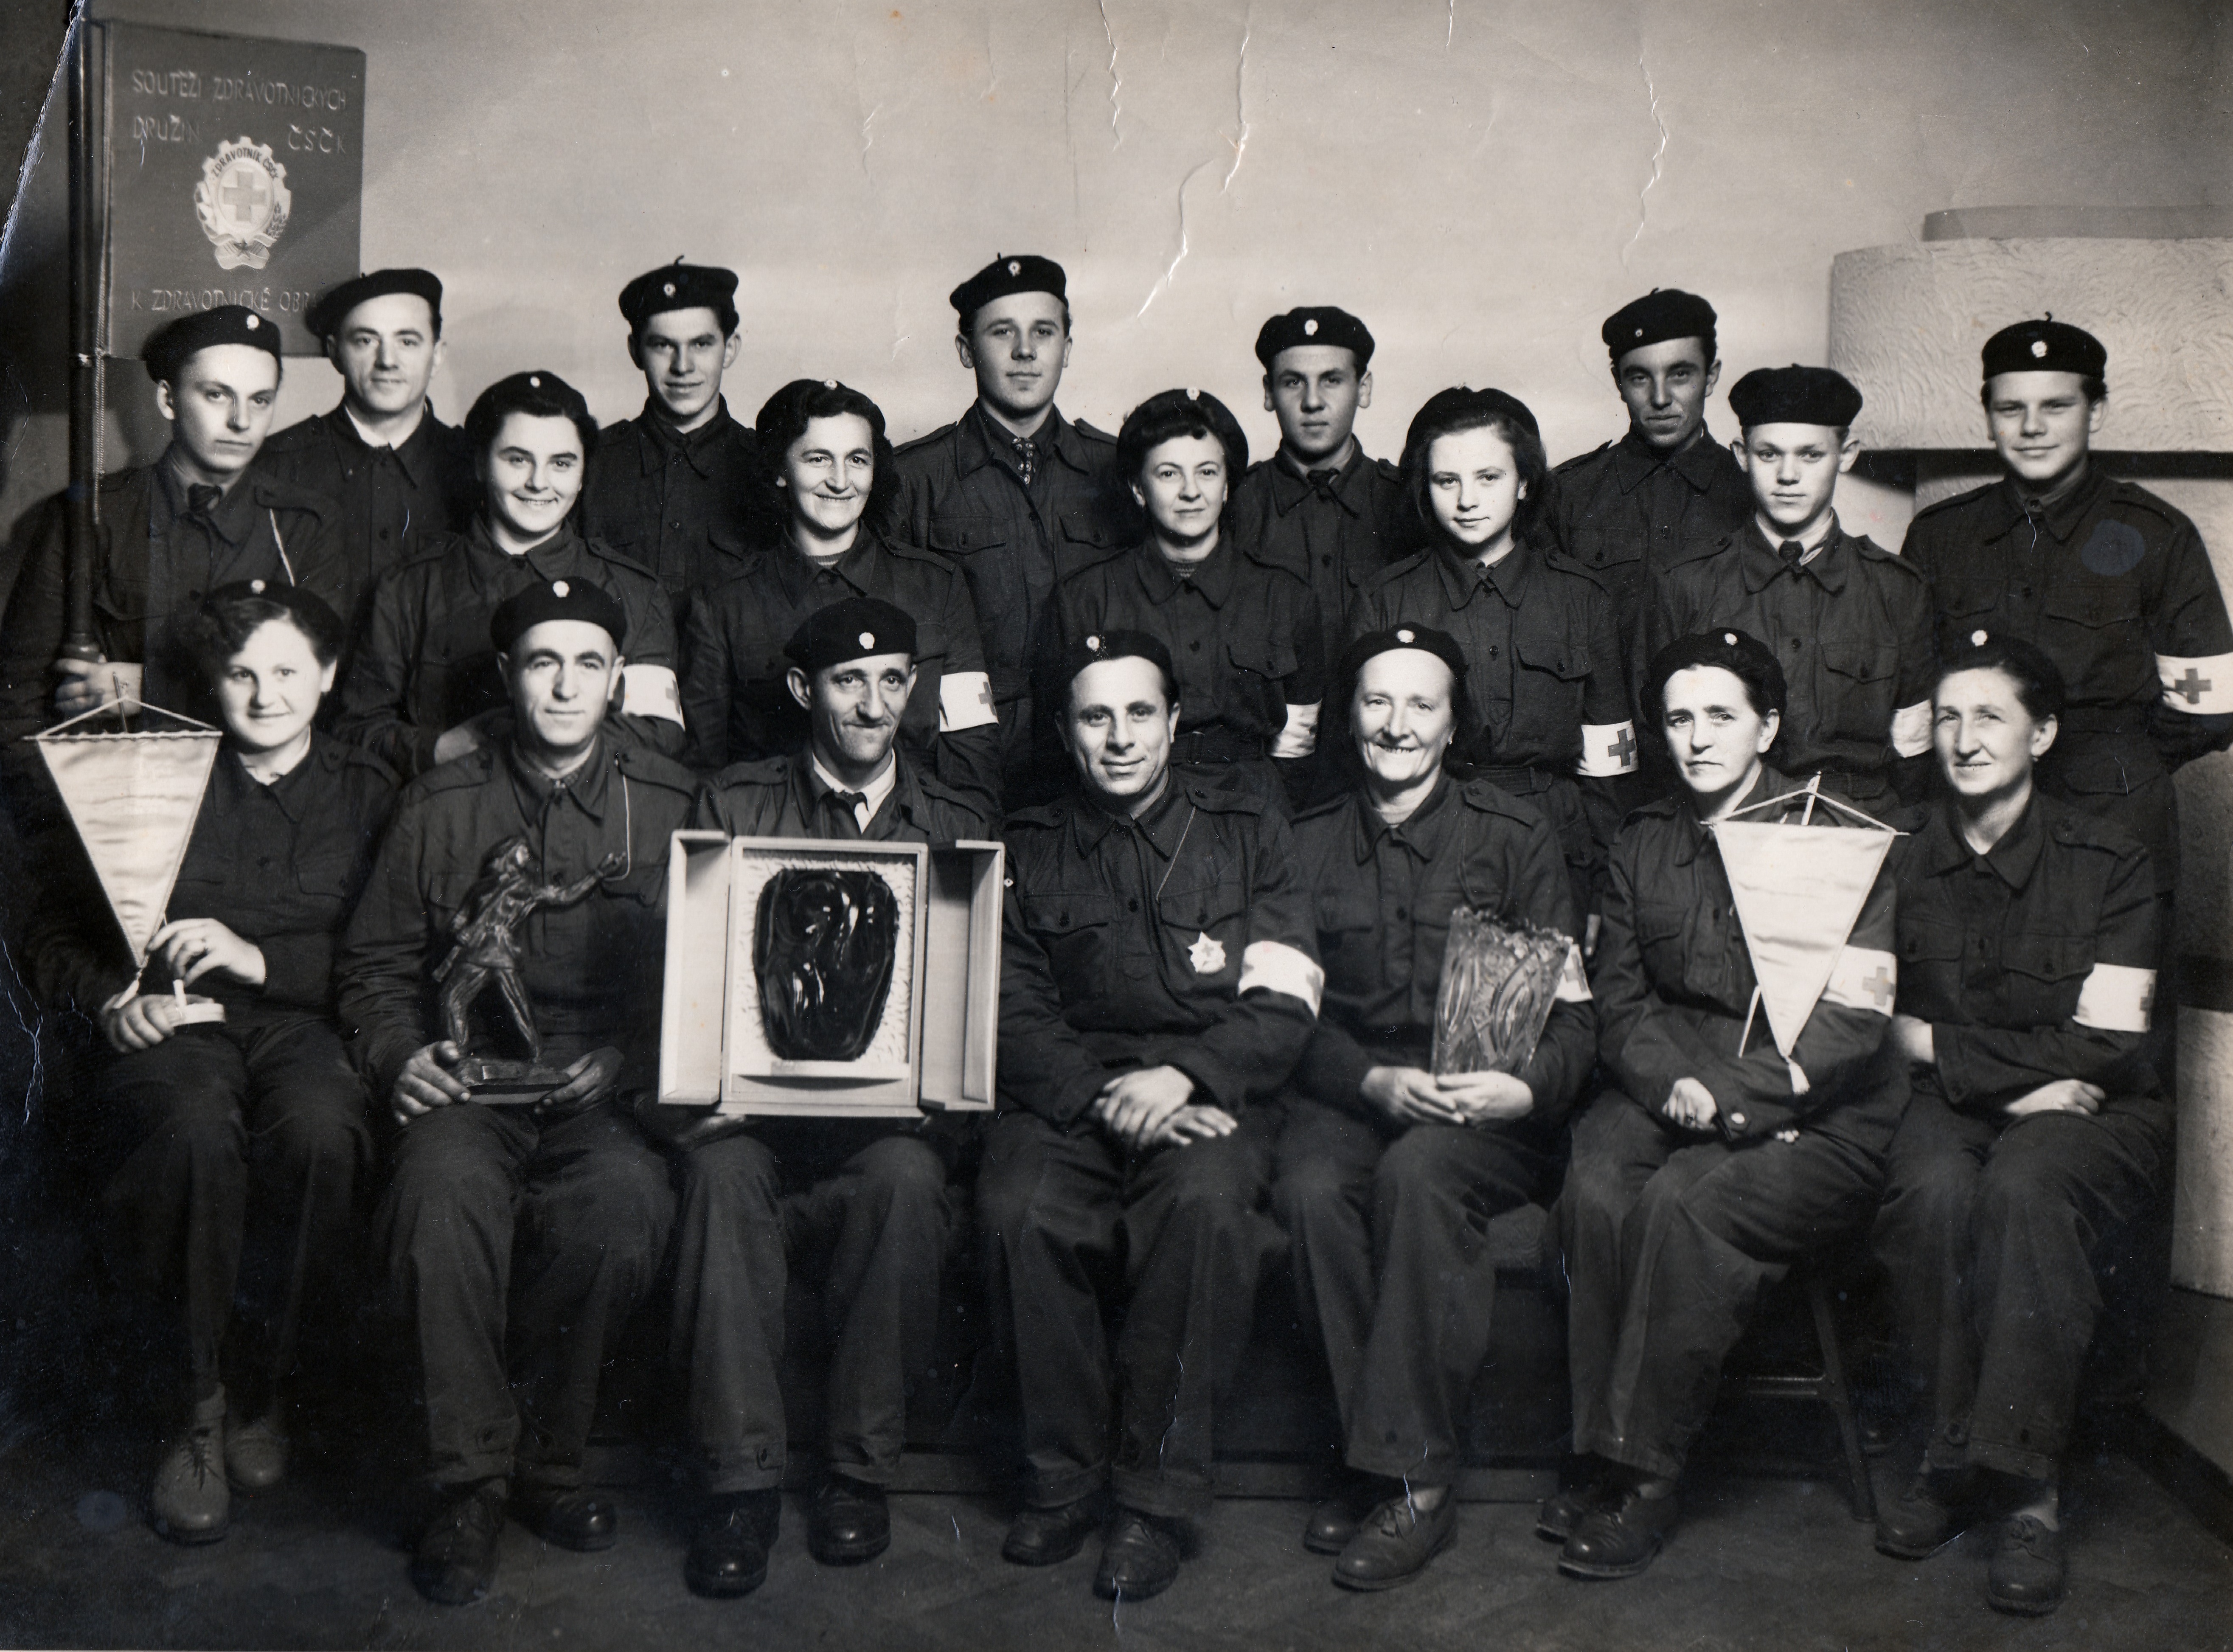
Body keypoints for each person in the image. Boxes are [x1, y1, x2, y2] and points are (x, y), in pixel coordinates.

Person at [336, 578, 694, 1606]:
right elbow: (371, 967)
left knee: (622, 1209)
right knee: (435, 1203)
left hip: (600, 1090)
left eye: (588, 663)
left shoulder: (673, 802)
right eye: (543, 662)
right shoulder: (439, 804)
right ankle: (467, 1484)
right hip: (468, 1085)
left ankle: (546, 1460)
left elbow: (707, 971)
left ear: (618, 679)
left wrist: (628, 1057)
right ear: (506, 676)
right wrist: (399, 1055)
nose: (566, 685)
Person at [22, 581, 390, 1545]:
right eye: (241, 674)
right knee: (186, 1132)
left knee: (321, 1132)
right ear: (212, 682)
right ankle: (192, 1407)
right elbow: (55, 930)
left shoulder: (369, 791)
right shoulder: (153, 777)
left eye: (288, 672)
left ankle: (267, 1387)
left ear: (329, 675)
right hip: (179, 1027)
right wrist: (114, 1001)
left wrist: (263, 958)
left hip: (309, 1026)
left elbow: (397, 952)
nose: (266, 696)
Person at [648, 598, 987, 1599]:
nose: (873, 704)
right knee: (717, 1175)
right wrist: (699, 1090)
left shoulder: (958, 821)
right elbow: (688, 976)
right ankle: (738, 1484)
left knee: (908, 1180)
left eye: (891, 681)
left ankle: (856, 1474)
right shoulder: (734, 801)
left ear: (912, 688)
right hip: (752, 1123)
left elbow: (977, 1001)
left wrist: (942, 1095)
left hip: (885, 1129)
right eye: (848, 682)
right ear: (804, 690)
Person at [1550, 628, 1905, 1581]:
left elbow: (1852, 1020)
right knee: (1594, 1184)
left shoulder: (1835, 841)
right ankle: (1594, 1452)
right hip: (1668, 1077)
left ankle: (1645, 1475)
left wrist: (1732, 1095)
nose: (1697, 737)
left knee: (1685, 1201)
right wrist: (1673, 1081)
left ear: (1768, 727)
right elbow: (1620, 996)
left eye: (1720, 715)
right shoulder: (1642, 840)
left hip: (1812, 1104)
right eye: (1678, 718)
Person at [979, 630, 1322, 1601]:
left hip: (1208, 1093)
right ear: (1063, 732)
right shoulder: (1026, 843)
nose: (1119, 737)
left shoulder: (1248, 826)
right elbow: (1008, 1004)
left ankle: (1153, 1499)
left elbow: (1287, 989)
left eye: (1139, 713)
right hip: (1067, 1090)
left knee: (1204, 1211)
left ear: (1173, 722)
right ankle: (1061, 1479)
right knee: (1017, 1210)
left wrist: (1188, 1076)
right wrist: (1097, 1095)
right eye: (1095, 717)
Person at [1272, 624, 1594, 1590]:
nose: (1397, 724)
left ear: (1455, 725)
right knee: (1308, 1187)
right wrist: (1367, 1082)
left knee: (1418, 1174)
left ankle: (1415, 1482)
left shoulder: (1514, 834)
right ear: (1348, 718)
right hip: (1356, 1088)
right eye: (1376, 701)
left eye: (1422, 704)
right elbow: (1282, 1012)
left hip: (1483, 1106)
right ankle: (1371, 1455)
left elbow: (1575, 1018)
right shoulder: (1303, 842)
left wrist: (1524, 1088)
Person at [1870, 632, 2169, 1617]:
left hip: (2094, 1109)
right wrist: (2002, 1087)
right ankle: (1946, 1457)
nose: (1964, 739)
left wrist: (1940, 1047)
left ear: (2039, 734)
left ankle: (2026, 1490)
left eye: (1989, 716)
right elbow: (1867, 1022)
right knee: (1929, 1189)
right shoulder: (1892, 856)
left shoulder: (2110, 862)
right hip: (1967, 1102)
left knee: (2025, 1189)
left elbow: (2108, 1045)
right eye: (1946, 717)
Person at [1899, 318, 2233, 944]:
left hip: (2115, 835)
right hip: (1974, 833)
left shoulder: (2156, 533)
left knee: (2117, 1002)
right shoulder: (1940, 536)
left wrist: (2111, 761)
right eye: (2011, 409)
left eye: (2056, 406)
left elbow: (2210, 710)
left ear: (2095, 411)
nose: (2032, 427)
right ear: (1987, 417)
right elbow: (1913, 689)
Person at [0, 306, 343, 787]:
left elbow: (316, 692)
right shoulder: (90, 517)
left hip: (255, 800)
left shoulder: (305, 526)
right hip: (118, 794)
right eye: (217, 395)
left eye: (260, 400)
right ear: (168, 399)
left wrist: (142, 687)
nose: (242, 421)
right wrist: (72, 816)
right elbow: (17, 703)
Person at [1352, 387, 1633, 930]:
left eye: (1488, 477)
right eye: (1446, 481)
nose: (1466, 500)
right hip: (1427, 841)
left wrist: (1606, 893)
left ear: (1524, 482)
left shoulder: (1581, 597)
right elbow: (1357, 757)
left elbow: (1609, 766)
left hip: (1558, 847)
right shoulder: (1386, 599)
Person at [335, 371, 683, 778]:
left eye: (561, 463)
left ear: (583, 474)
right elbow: (355, 729)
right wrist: (438, 749)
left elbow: (660, 731)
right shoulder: (408, 588)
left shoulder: (635, 592)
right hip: (449, 807)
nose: (538, 483)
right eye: (518, 460)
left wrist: (543, 749)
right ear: (480, 464)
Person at [681, 379, 1000, 815]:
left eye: (857, 460)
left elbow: (973, 759)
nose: (840, 481)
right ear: (780, 469)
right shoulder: (723, 603)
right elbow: (703, 768)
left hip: (914, 834)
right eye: (818, 459)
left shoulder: (936, 587)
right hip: (773, 836)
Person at [1642, 364, 1935, 814]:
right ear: (1741, 455)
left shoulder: (1896, 589)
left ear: (1847, 454)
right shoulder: (1686, 584)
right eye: (1768, 454)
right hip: (1729, 820)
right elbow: (1658, 738)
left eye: (1810, 455)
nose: (1787, 475)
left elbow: (1914, 751)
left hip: (1859, 824)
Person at [894, 253, 1133, 805]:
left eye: (1043, 332)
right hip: (960, 775)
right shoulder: (913, 480)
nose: (1025, 351)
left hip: (1096, 772)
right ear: (965, 350)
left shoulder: (1119, 471)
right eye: (1002, 332)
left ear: (1066, 348)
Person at [1055, 388, 1325, 813]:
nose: (1190, 492)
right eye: (1168, 474)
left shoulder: (1286, 597)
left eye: (1207, 472)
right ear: (1138, 489)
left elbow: (1298, 745)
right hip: (1128, 812)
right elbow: (1064, 739)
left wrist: (1274, 824)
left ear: (1227, 486)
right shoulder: (1085, 598)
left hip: (1254, 812)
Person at [254, 269, 475, 631]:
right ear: (334, 353)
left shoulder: (475, 468)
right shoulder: (275, 466)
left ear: (437, 356)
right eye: (365, 340)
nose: (387, 360)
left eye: (407, 342)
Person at [1541, 289, 1750, 652]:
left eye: (1680, 374)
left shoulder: (1751, 490)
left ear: (1711, 376)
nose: (1660, 398)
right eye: (1639, 378)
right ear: (1618, 382)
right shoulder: (1568, 495)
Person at [578, 259, 774, 636]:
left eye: (701, 344)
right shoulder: (590, 462)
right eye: (663, 345)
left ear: (730, 348)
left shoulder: (767, 466)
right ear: (635, 351)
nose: (683, 366)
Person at [1227, 306, 1415, 674]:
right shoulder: (1233, 503)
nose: (1312, 401)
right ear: (1268, 392)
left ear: (1363, 389)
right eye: (1293, 382)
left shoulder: (1407, 502)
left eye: (1331, 380)